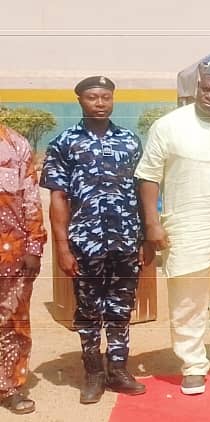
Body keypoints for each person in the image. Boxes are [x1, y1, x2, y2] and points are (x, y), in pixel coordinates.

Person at [135, 58, 210, 395]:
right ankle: (192, 364)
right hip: (186, 225)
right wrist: (152, 223)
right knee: (188, 298)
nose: (209, 96)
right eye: (205, 88)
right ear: (198, 86)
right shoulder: (168, 125)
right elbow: (148, 176)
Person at [41, 76, 147, 404]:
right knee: (88, 310)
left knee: (120, 307)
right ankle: (93, 372)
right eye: (92, 97)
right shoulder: (65, 142)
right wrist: (61, 246)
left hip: (125, 240)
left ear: (113, 100)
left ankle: (117, 368)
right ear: (80, 101)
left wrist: (145, 239)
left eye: (105, 97)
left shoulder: (130, 141)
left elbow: (144, 191)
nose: (100, 103)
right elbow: (58, 197)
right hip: (85, 242)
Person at [0, 111, 46, 416]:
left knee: (13, 323)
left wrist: (33, 246)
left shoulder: (15, 144)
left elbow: (31, 197)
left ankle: (11, 386)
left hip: (11, 253)